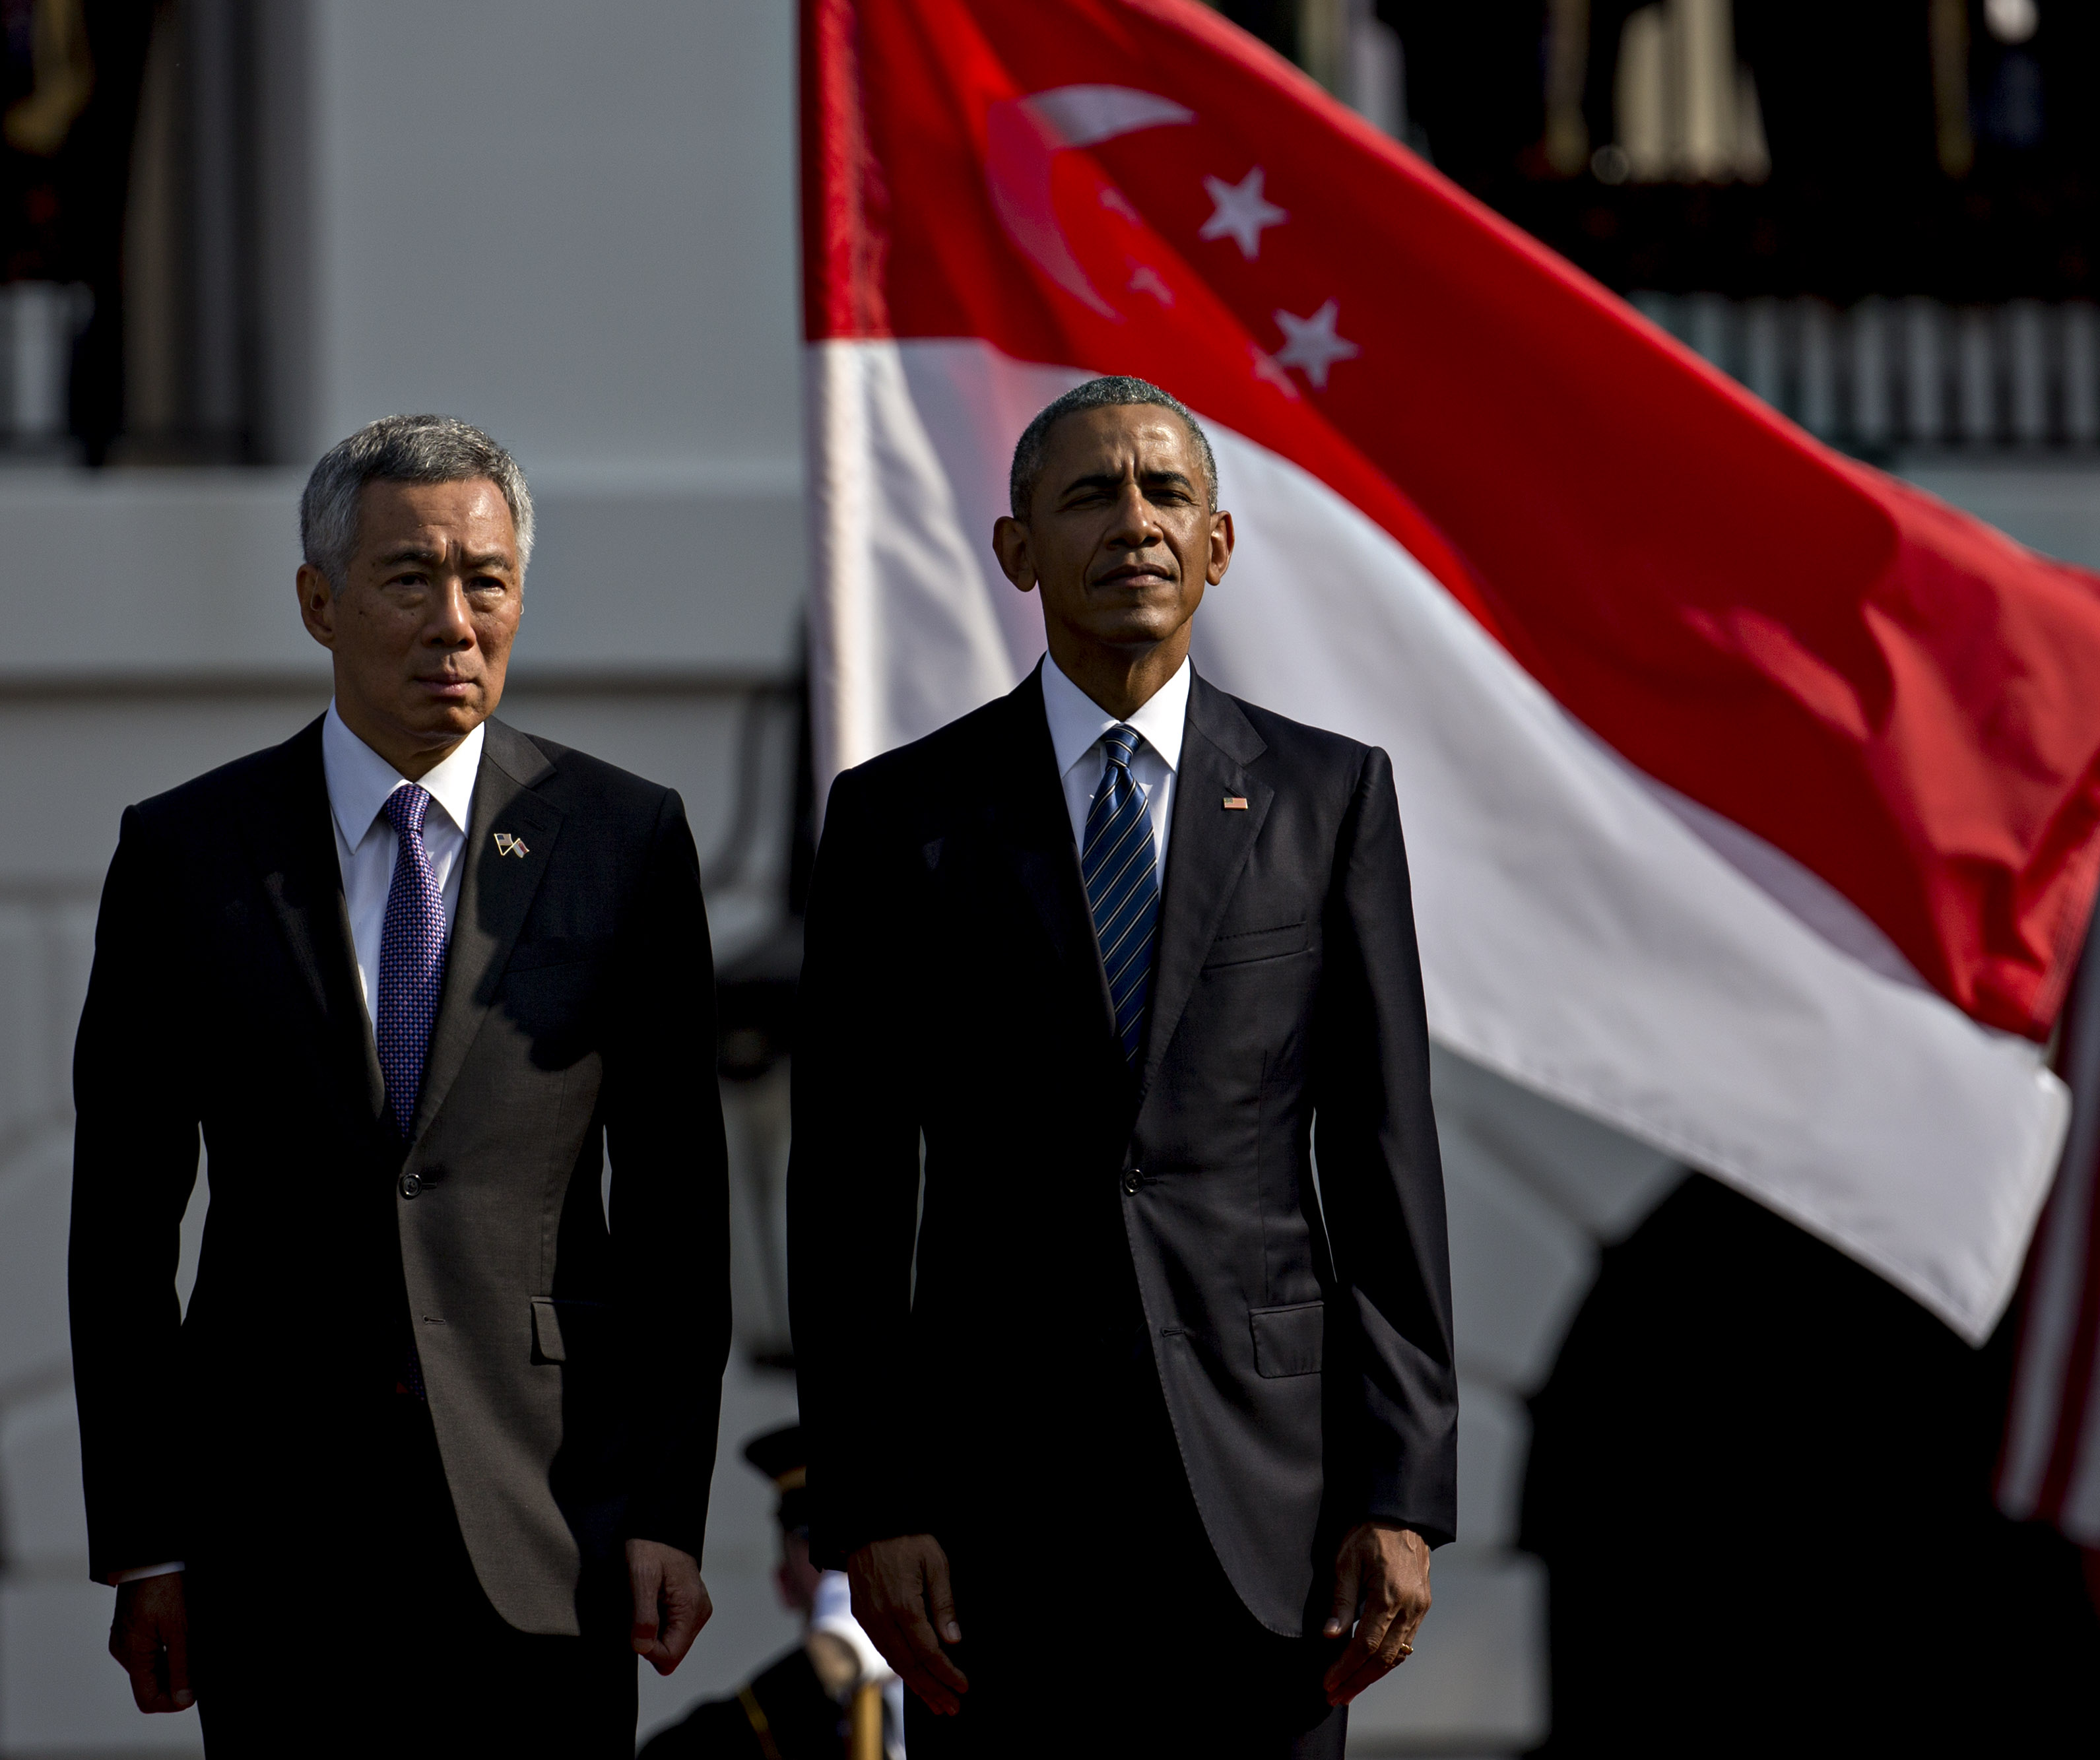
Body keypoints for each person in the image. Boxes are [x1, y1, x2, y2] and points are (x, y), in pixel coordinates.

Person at [788, 377, 1457, 1759]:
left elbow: (1385, 1161)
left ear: (1216, 546)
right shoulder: (899, 819)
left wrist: (1401, 1491)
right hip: (990, 1525)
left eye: (1165, 493)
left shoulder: (1327, 799)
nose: (1133, 522)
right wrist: (871, 1504)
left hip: (1275, 1511)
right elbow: (848, 1193)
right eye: (1089, 493)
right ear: (1016, 549)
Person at [69, 414, 731, 1758]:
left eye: (484, 580)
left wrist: (664, 1505)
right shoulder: (187, 853)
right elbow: (123, 1224)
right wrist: (148, 1540)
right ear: (318, 602)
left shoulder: (625, 839)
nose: (453, 618)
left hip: (550, 1525)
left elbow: (680, 1207)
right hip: (276, 1541)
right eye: (408, 578)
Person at [640, 1426, 900, 1760]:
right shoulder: (756, 1725)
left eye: (878, 1535)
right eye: (818, 1539)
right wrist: (825, 1662)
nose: (857, 1564)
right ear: (785, 1583)